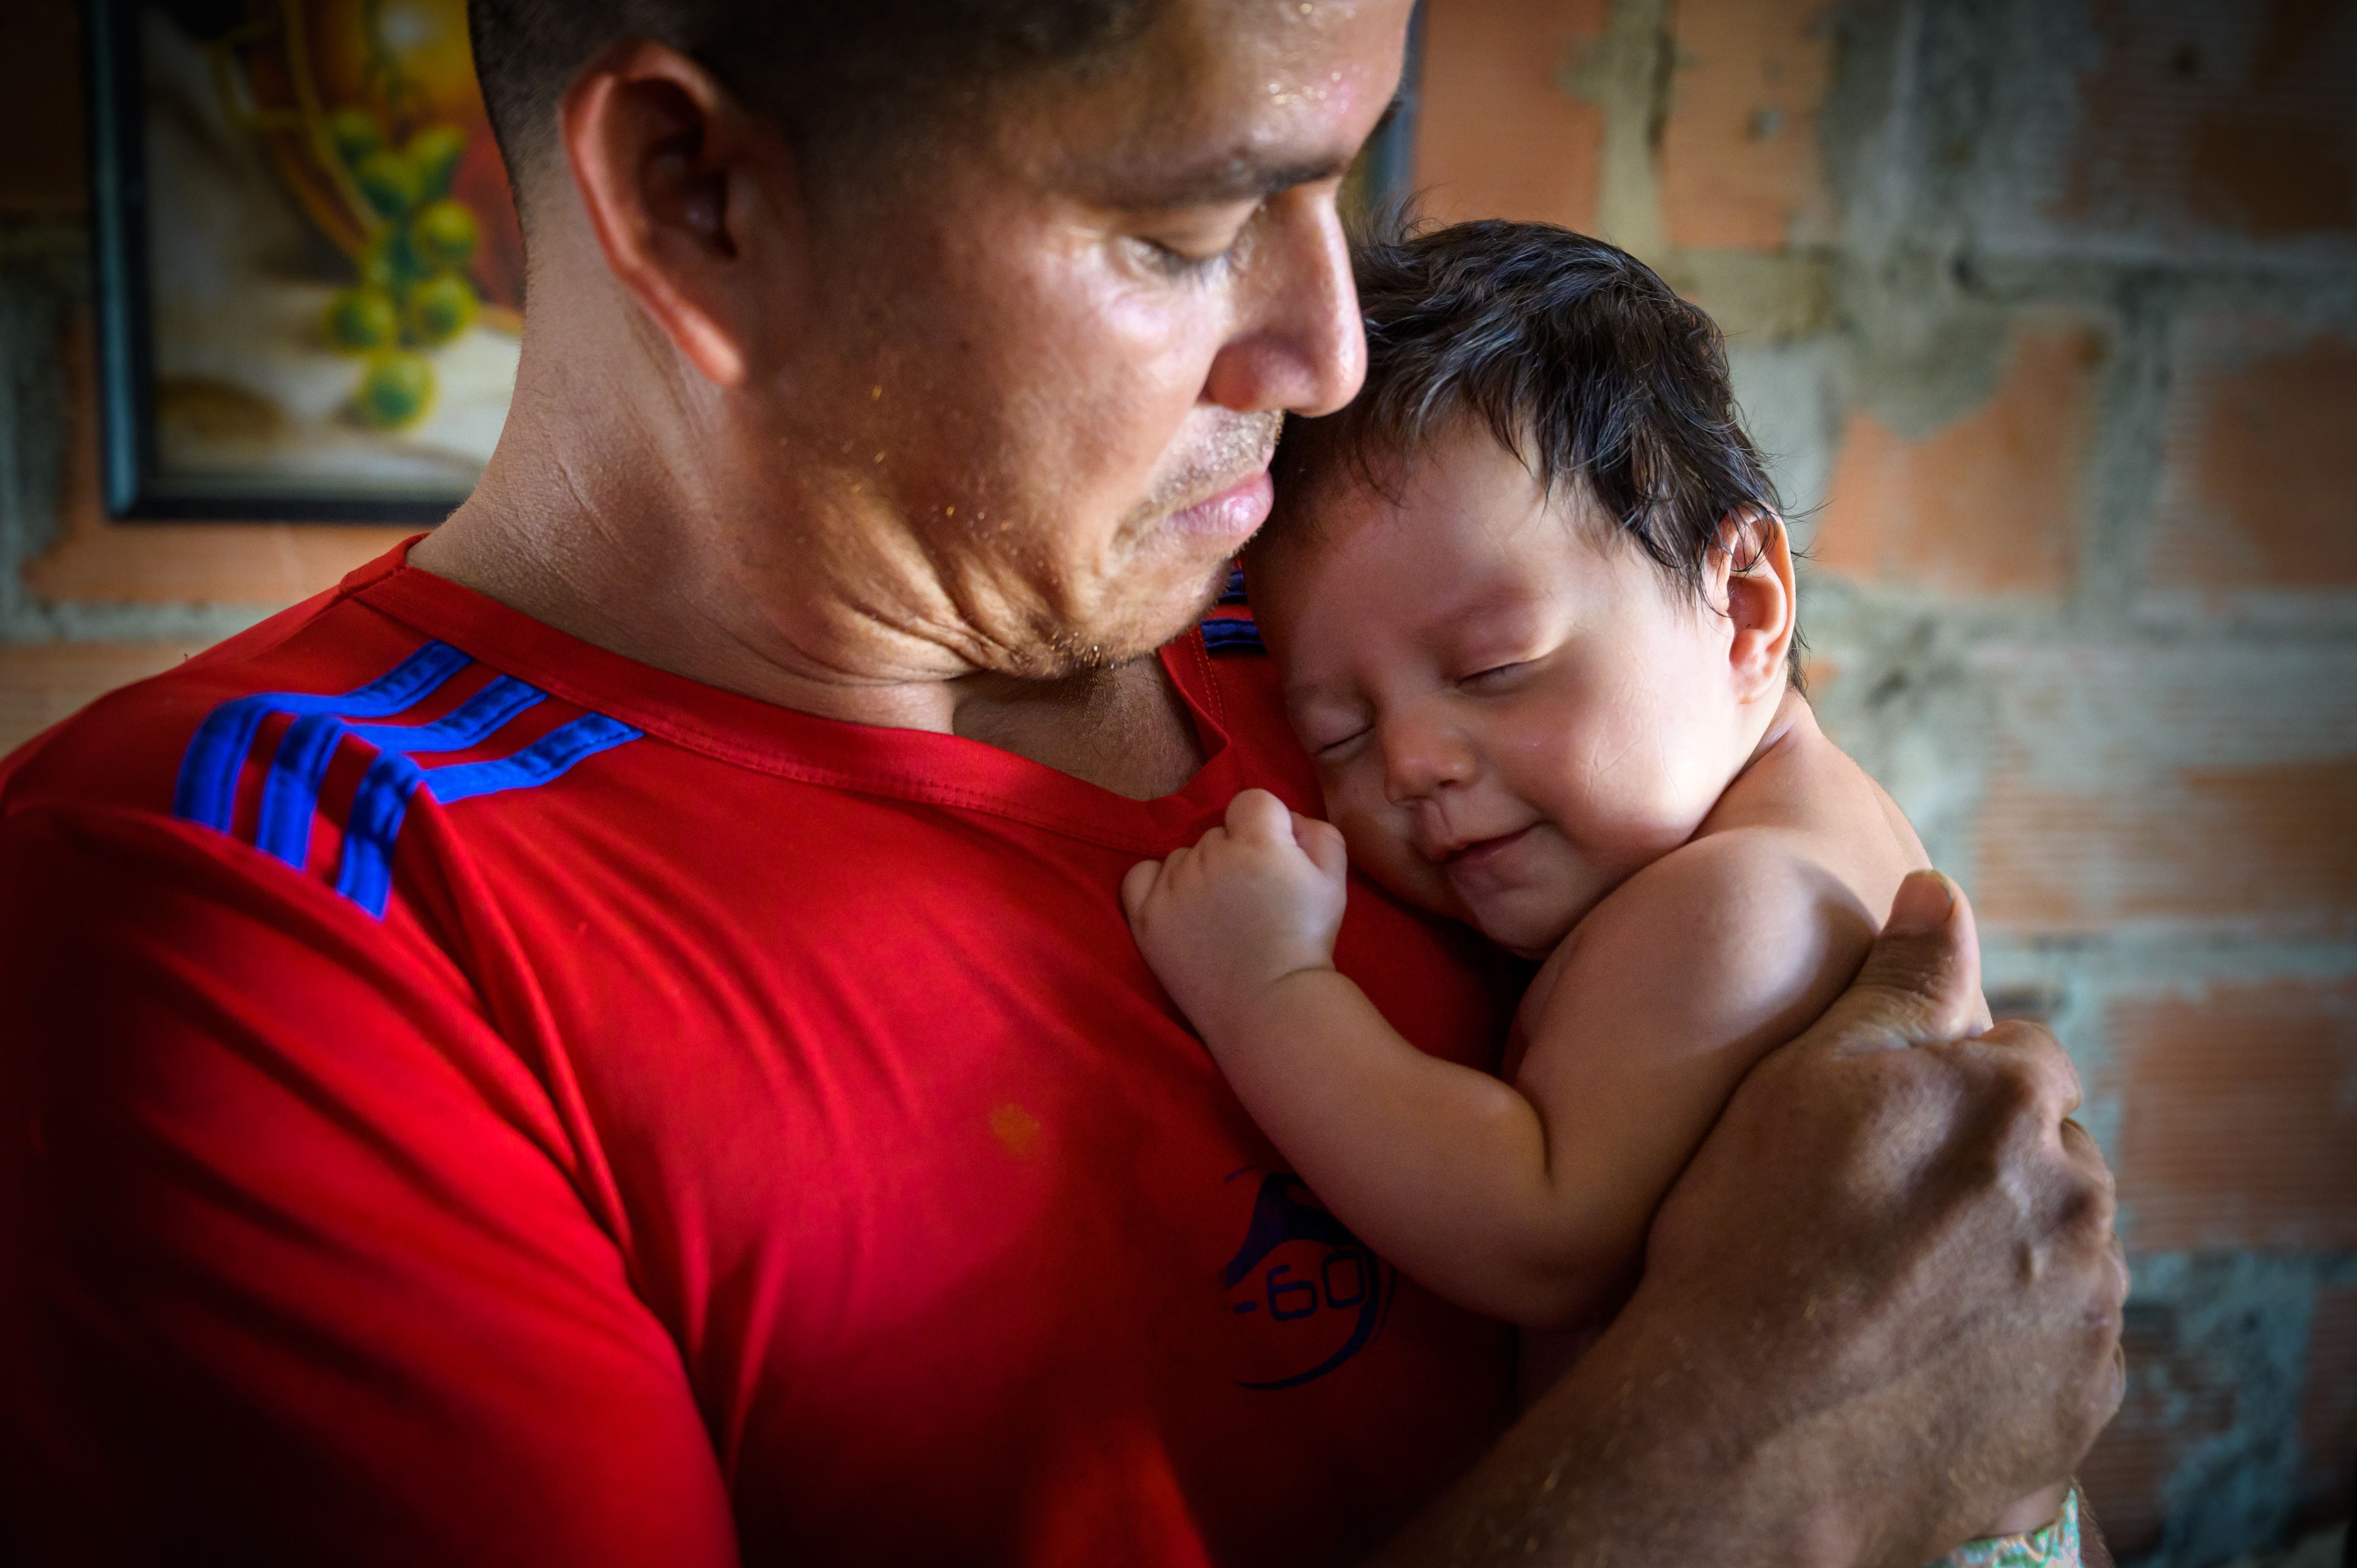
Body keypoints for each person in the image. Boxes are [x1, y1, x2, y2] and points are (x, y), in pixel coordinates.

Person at [0, 1, 2123, 1562]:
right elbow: (1831, 1343)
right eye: (1194, 226)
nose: (1325, 355)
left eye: (1339, 186)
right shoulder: (264, 910)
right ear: (695, 196)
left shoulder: (1336, 649)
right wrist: (1751, 1459)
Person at [1120, 220, 2081, 1561]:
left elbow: (1538, 1229)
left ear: (1744, 607)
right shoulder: (1784, 825)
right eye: (1335, 728)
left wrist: (1267, 990)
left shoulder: (1740, 904)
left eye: (1494, 667)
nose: (1408, 763)